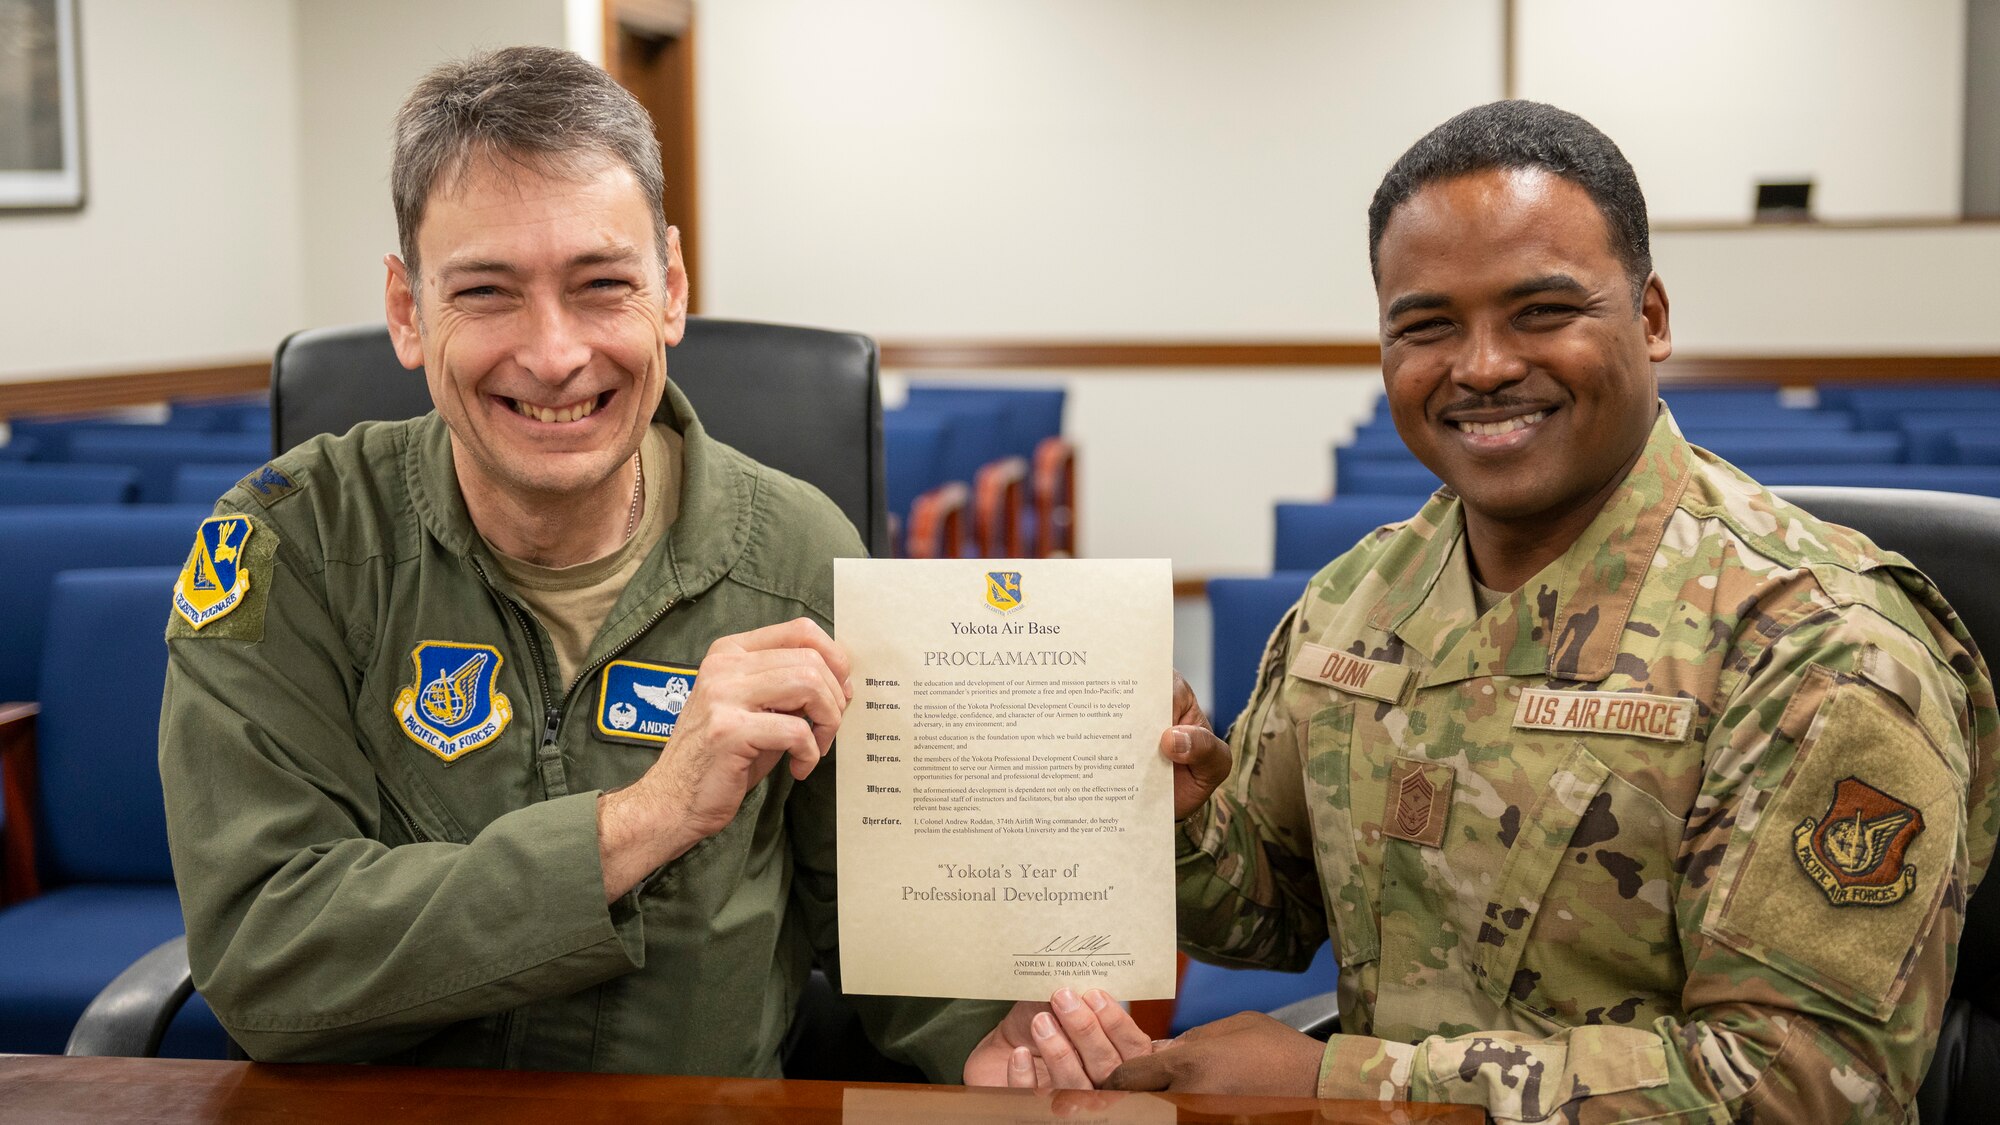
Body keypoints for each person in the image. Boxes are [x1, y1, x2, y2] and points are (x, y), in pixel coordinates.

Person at [1013, 100, 2000, 1121]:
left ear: (1650, 318)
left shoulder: (1818, 648)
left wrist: (1340, 1079)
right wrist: (1182, 820)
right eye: (1425, 325)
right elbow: (1267, 919)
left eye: (1540, 311)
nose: (1480, 366)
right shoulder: (1353, 602)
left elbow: (1802, 1090)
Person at [157, 46, 1044, 1079]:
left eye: (601, 286)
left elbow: (880, 918)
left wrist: (990, 1030)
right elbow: (269, 960)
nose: (554, 353)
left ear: (669, 290)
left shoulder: (802, 555)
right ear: (407, 311)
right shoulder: (291, 548)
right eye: (486, 291)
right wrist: (648, 818)